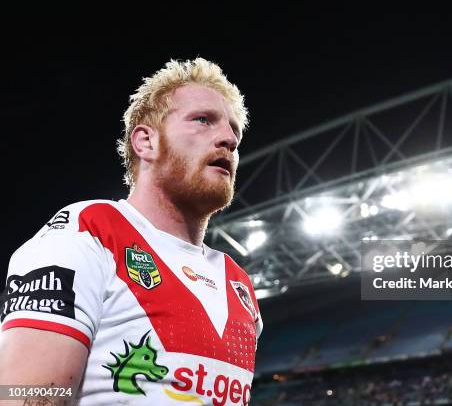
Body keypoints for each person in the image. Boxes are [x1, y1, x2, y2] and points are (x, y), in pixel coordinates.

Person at [0, 58, 263, 405]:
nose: (229, 139)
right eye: (203, 120)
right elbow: (23, 397)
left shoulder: (239, 283)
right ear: (146, 142)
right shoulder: (87, 234)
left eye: (235, 132)